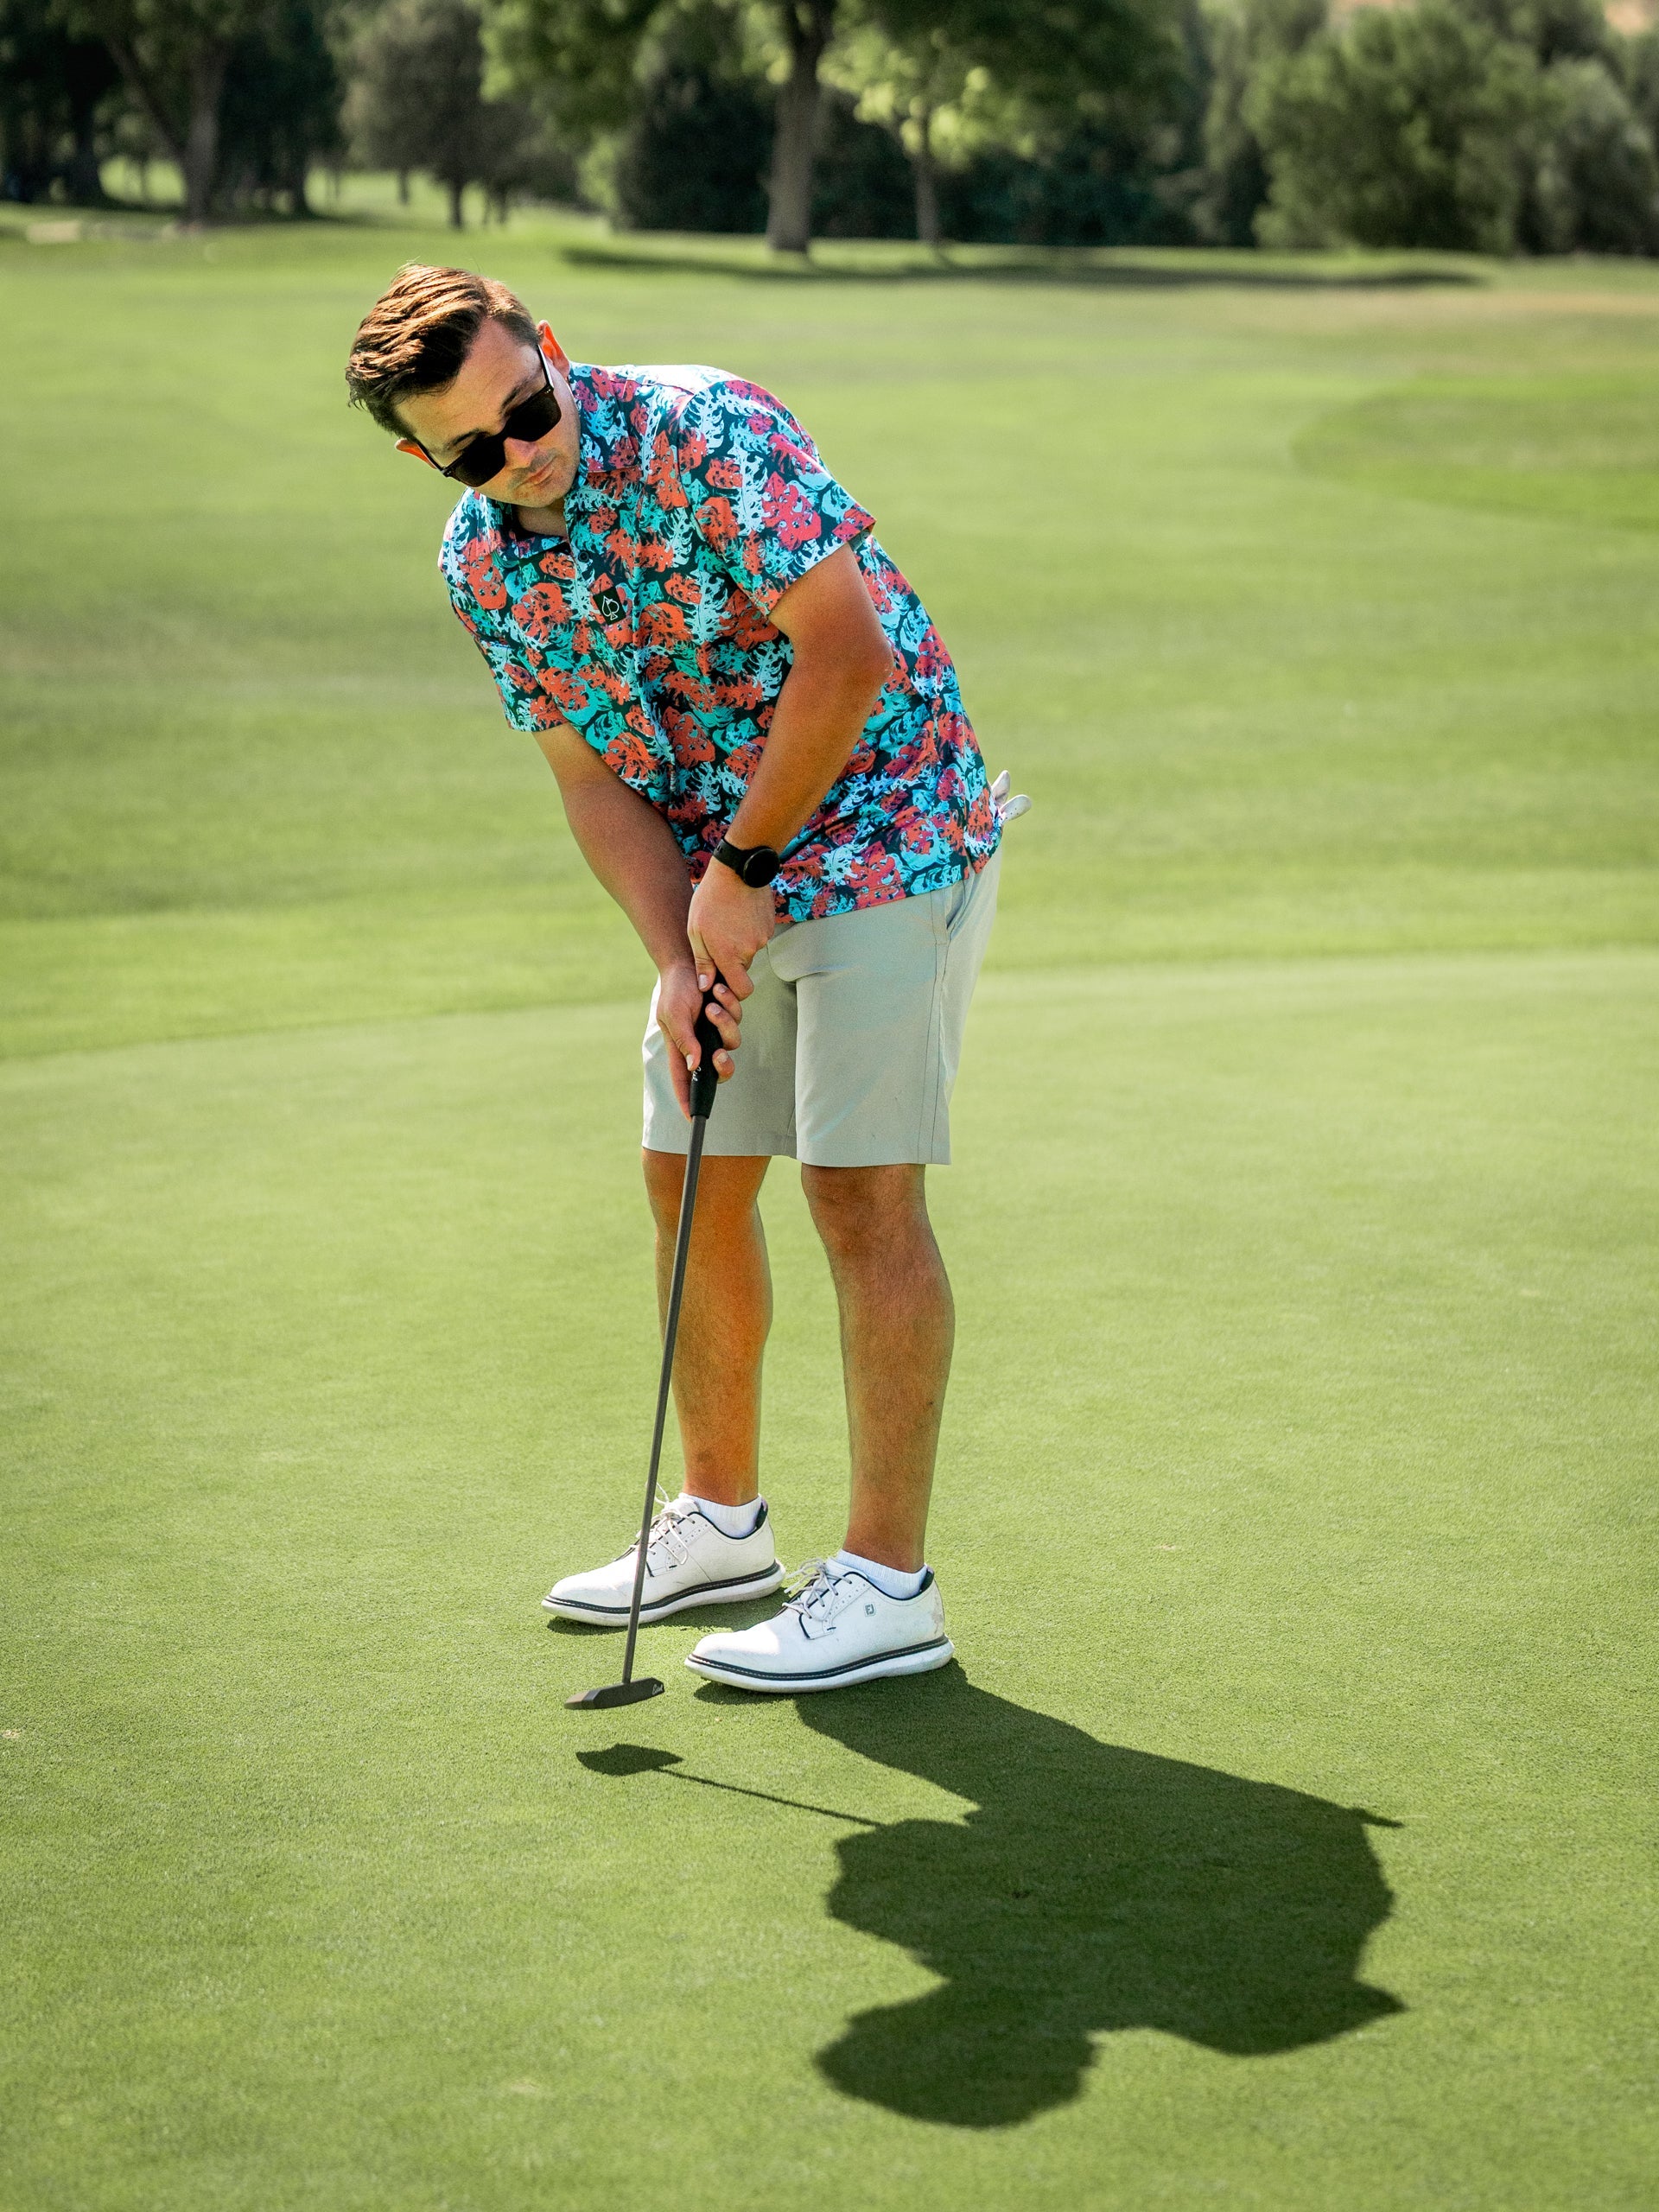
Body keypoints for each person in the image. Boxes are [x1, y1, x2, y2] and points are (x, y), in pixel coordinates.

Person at [344, 262, 1023, 1694]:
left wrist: (744, 875)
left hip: (884, 820)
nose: (518, 453)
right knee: (689, 1169)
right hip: (726, 868)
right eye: (474, 448)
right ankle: (721, 1526)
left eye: (526, 407)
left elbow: (848, 657)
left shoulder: (710, 433)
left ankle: (893, 1586)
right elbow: (589, 780)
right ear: (427, 459)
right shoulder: (481, 562)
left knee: (857, 1189)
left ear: (551, 344)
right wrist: (676, 957)